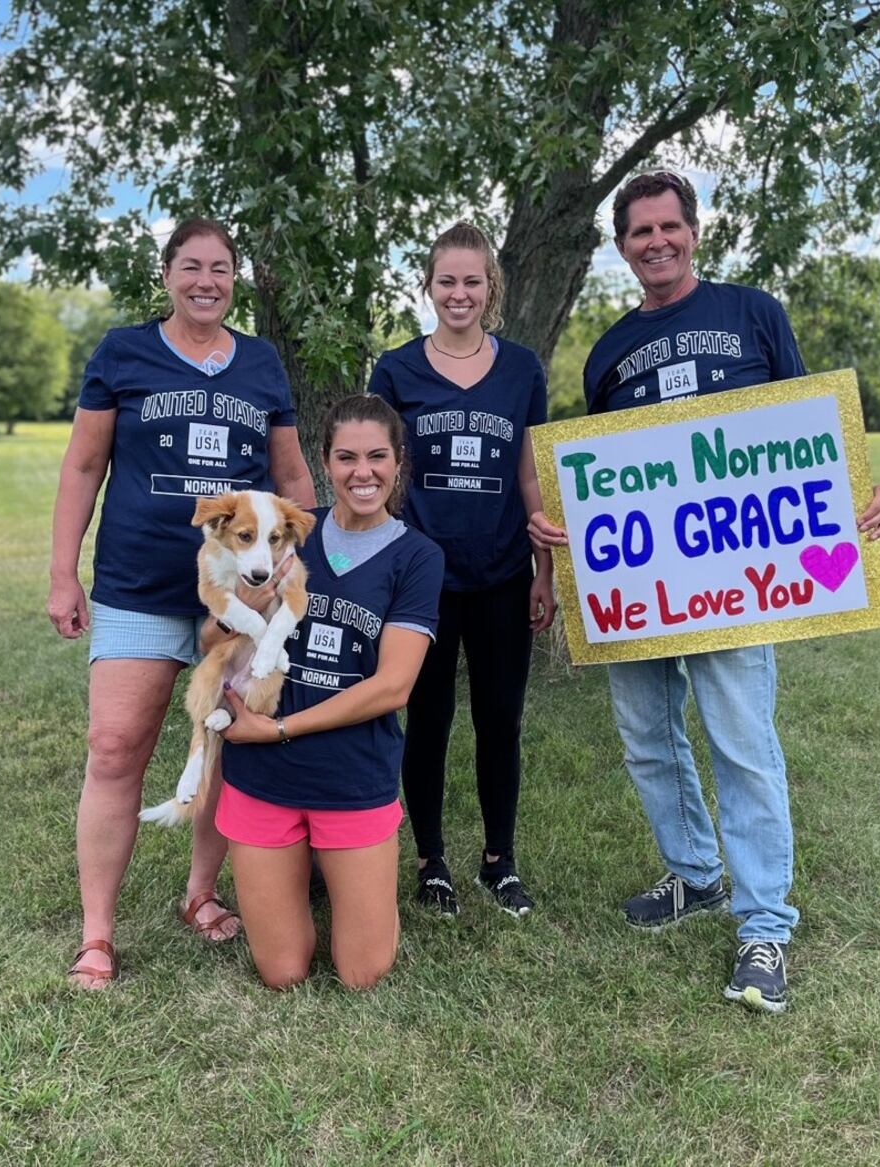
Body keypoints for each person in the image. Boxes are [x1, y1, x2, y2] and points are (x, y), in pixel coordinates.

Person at [528, 172, 880, 1013]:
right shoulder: (609, 352)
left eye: (668, 226)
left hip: (736, 588)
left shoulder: (753, 314)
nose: (655, 241)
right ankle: (695, 874)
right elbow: (604, 480)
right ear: (621, 247)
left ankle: (765, 922)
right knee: (649, 739)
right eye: (639, 231)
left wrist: (860, 496)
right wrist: (564, 528)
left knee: (741, 744)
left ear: (693, 231)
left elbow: (807, 435)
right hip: (639, 591)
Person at [48, 216, 316, 988]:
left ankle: (200, 894)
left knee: (225, 744)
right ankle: (96, 934)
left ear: (236, 279)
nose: (207, 280)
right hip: (138, 585)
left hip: (240, 599)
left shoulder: (261, 364)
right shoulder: (124, 353)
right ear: (165, 273)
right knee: (114, 747)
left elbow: (293, 482)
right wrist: (63, 574)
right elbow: (83, 465)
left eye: (221, 268)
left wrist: (306, 572)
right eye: (192, 266)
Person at [215, 394, 444, 989]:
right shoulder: (282, 532)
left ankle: (356, 884)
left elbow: (393, 687)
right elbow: (208, 634)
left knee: (363, 973)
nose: (361, 472)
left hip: (352, 776)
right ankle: (310, 875)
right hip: (263, 776)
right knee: (282, 971)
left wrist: (280, 728)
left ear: (399, 462)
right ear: (324, 461)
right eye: (346, 457)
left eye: (376, 456)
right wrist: (250, 601)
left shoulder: (418, 556)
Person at [367, 223, 554, 919]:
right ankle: (431, 856)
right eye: (447, 280)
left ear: (491, 288)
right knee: (428, 716)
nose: (459, 293)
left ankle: (499, 860)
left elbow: (530, 471)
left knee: (500, 719)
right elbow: (380, 470)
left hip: (504, 571)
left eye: (472, 281)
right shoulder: (395, 370)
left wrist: (545, 570)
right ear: (428, 285)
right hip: (423, 576)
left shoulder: (522, 370)